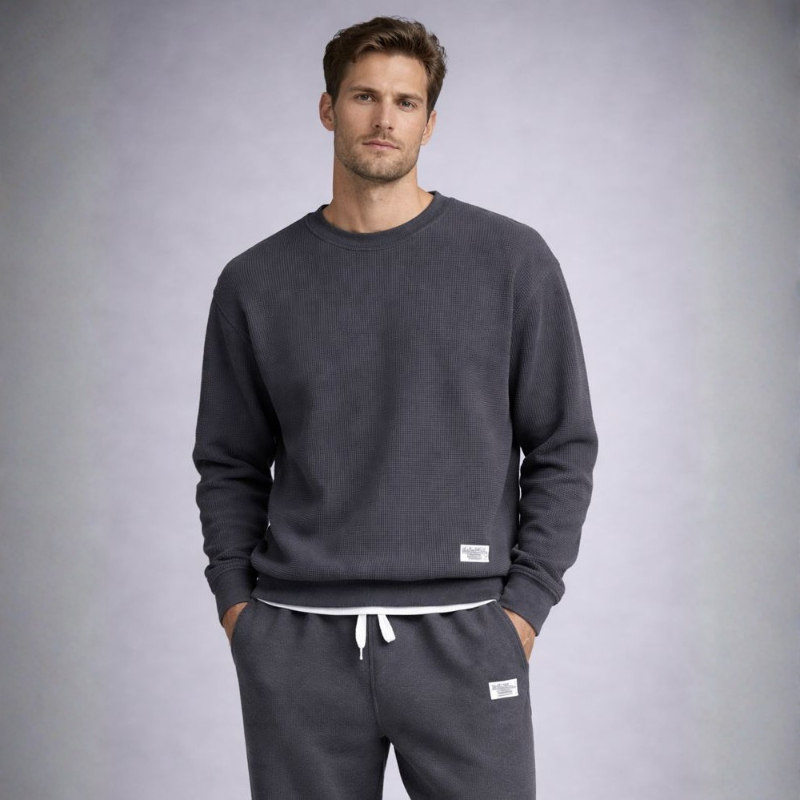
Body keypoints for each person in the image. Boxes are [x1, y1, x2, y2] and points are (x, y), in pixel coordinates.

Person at [191, 14, 598, 800]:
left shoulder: (511, 261)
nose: (384, 119)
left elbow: (562, 444)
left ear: (429, 122)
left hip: (465, 631)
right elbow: (229, 461)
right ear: (327, 108)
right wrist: (238, 606)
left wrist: (523, 608)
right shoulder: (255, 281)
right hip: (297, 642)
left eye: (406, 102)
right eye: (364, 96)